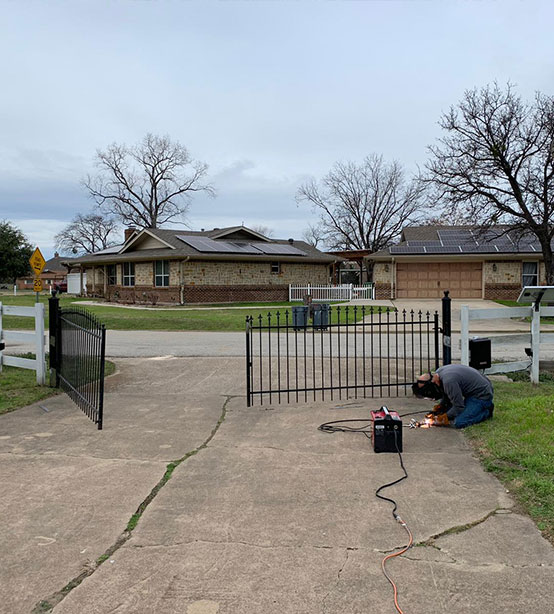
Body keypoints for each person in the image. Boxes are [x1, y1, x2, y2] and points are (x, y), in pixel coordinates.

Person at [412, 364, 494, 429]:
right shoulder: (439, 373)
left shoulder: (449, 382)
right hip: (472, 391)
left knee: (459, 422)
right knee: (449, 411)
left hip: (481, 395)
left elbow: (459, 406)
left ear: (434, 383)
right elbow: (447, 395)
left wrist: (443, 418)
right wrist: (441, 407)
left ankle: (486, 411)